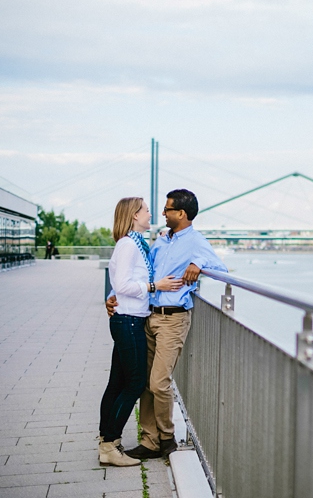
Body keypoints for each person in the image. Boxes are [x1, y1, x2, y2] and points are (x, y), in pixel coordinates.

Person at [107, 189, 227, 459]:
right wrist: (112, 296)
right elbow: (134, 274)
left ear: (181, 214)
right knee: (146, 383)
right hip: (149, 316)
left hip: (174, 318)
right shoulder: (160, 242)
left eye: (168, 209)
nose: (162, 213)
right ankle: (150, 441)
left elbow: (221, 268)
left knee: (160, 382)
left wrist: (199, 262)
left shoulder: (196, 241)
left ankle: (167, 437)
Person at [99, 197, 182, 466]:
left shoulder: (135, 243)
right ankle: (110, 443)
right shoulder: (127, 245)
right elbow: (122, 284)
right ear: (135, 215)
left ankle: (106, 443)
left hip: (129, 319)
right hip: (129, 321)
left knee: (117, 383)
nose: (151, 213)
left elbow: (119, 285)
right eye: (146, 210)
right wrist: (153, 286)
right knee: (134, 383)